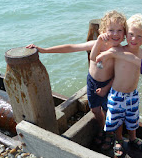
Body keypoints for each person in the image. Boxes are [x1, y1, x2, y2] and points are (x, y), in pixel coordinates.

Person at [26, 10, 126, 148]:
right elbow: (71, 47)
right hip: (92, 82)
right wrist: (44, 50)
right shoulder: (97, 44)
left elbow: (119, 75)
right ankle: (102, 128)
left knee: (110, 110)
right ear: (103, 31)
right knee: (95, 110)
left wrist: (105, 88)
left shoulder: (120, 52)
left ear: (125, 33)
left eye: (119, 30)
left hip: (107, 85)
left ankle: (110, 134)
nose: (115, 34)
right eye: (111, 30)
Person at [91, 13, 142, 157]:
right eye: (130, 34)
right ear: (126, 33)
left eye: (139, 36)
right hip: (116, 93)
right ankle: (118, 140)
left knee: (132, 119)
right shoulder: (117, 50)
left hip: (133, 94)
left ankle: (132, 139)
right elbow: (94, 58)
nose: (134, 39)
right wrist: (99, 42)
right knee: (116, 119)